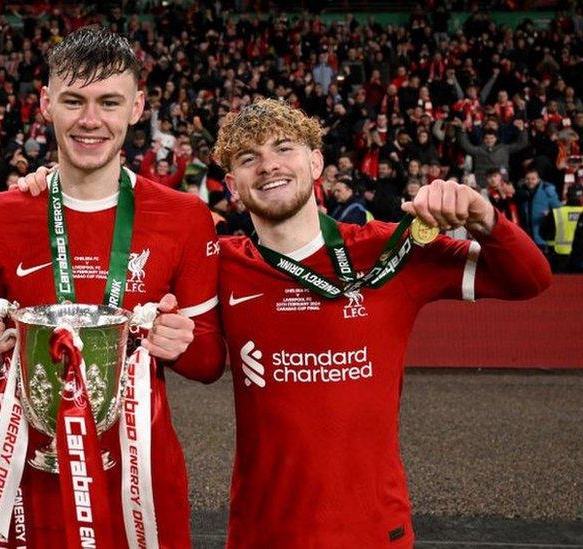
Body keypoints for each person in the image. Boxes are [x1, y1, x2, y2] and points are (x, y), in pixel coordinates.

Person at [211, 99, 550, 547]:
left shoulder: (392, 250)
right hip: (263, 533)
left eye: (284, 148)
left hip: (374, 531)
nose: (269, 166)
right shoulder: (220, 264)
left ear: (316, 163)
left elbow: (530, 280)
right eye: (249, 158)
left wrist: (484, 217)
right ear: (234, 185)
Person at [0, 26, 224, 548]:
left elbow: (210, 363)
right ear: (46, 103)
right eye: (73, 100)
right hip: (30, 480)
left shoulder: (185, 217)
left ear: (137, 106)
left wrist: (180, 343)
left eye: (109, 102)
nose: (91, 120)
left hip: (139, 486)